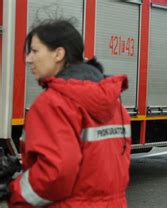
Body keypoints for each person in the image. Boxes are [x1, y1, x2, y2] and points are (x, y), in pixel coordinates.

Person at [8, 19, 131, 207]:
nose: (28, 59)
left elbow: (56, 173)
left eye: (35, 51)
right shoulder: (114, 102)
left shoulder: (52, 103)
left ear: (58, 54)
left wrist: (16, 194)